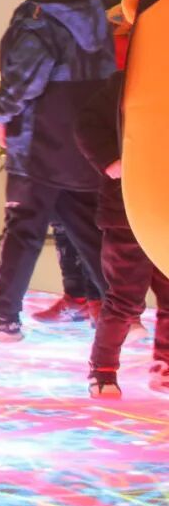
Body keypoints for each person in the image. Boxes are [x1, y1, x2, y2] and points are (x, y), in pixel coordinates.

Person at [0, 0, 116, 343]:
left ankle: (3, 317)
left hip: (39, 141)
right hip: (83, 143)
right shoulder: (96, 13)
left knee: (24, 225)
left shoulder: (38, 13)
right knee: (87, 227)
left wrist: (0, 114)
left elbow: (25, 79)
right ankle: (124, 311)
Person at [31, 0, 120, 325]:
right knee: (61, 214)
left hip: (101, 124)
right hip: (57, 123)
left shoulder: (117, 8)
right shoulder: (44, 7)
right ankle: (75, 295)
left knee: (96, 216)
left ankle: (106, 300)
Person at [79, 66, 169, 398]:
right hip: (128, 208)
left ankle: (164, 365)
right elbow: (87, 124)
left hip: (161, 209)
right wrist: (111, 162)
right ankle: (103, 369)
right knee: (125, 298)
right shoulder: (128, 84)